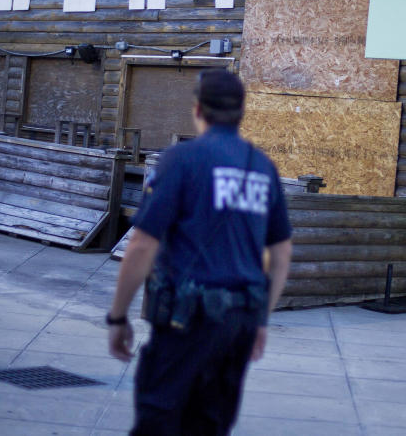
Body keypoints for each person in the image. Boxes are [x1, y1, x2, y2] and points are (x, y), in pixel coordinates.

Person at [107, 69, 292, 436]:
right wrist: (260, 320)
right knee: (210, 425)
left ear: (197, 109)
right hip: (239, 321)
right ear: (242, 112)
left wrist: (118, 317)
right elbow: (282, 253)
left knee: (159, 421)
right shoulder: (262, 167)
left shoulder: (183, 160)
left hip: (187, 321)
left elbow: (143, 243)